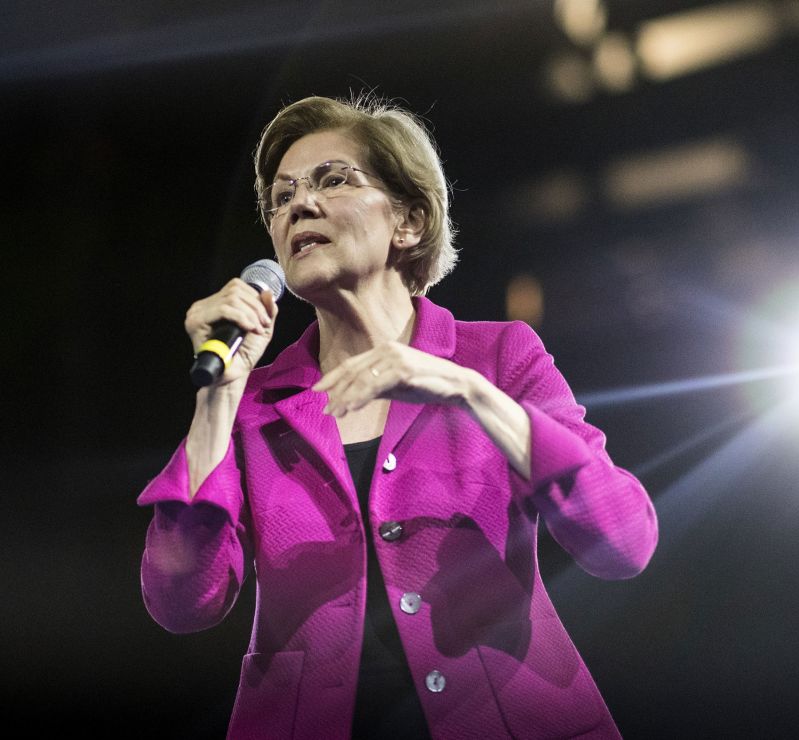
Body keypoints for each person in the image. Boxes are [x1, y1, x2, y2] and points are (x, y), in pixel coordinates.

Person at [138, 94, 658, 740]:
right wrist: (218, 397)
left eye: (333, 180)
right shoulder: (256, 403)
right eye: (282, 196)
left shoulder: (496, 358)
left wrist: (470, 393)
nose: (299, 204)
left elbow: (623, 542)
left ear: (408, 222)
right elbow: (182, 602)